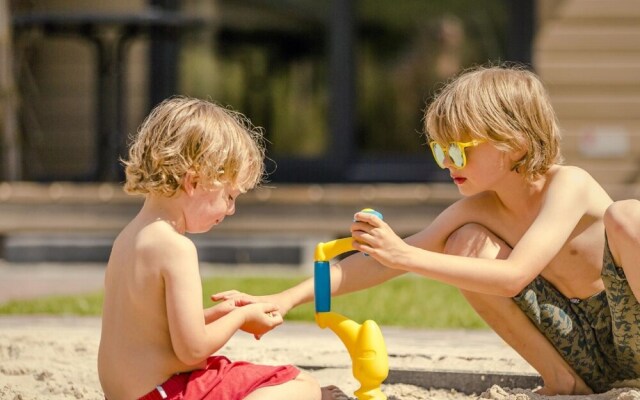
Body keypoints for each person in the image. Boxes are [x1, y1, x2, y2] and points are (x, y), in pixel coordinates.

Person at [214, 65, 640, 395]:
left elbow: (514, 276)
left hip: (631, 329)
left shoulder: (569, 185)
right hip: (577, 349)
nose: (447, 163)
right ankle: (564, 384)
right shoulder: (478, 209)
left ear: (516, 143)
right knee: (464, 243)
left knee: (628, 216)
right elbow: (377, 265)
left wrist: (405, 255)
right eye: (439, 149)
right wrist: (283, 298)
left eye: (459, 149)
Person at [98, 96, 346, 400]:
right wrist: (240, 319)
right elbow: (192, 351)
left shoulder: (128, 238)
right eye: (229, 195)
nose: (230, 210)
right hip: (164, 393)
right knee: (302, 385)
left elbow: (153, 330)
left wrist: (219, 313)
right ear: (194, 182)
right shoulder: (177, 249)